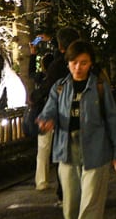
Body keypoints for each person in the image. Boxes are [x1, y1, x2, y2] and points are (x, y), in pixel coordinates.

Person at [37, 40, 116, 219]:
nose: (78, 67)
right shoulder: (59, 88)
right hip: (67, 150)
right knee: (70, 207)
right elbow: (48, 111)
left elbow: (113, 119)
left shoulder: (98, 86)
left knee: (90, 204)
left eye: (84, 63)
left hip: (96, 151)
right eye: (74, 63)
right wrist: (46, 121)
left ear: (91, 64)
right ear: (68, 64)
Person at [32, 27, 81, 200]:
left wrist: (36, 98)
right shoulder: (87, 62)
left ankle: (63, 193)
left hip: (63, 117)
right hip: (83, 117)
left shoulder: (58, 66)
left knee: (62, 155)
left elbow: (48, 90)